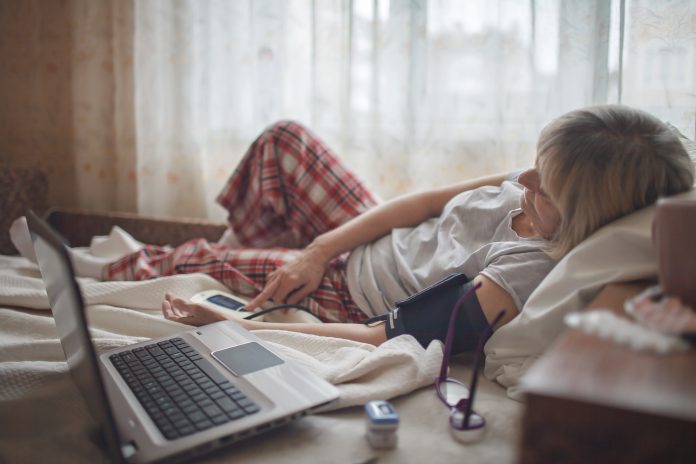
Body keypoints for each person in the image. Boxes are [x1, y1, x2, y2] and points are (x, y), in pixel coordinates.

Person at [11, 104, 695, 348]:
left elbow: (385, 334)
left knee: (198, 263)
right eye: (533, 166)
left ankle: (90, 265)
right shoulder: (528, 185)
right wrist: (316, 246)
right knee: (285, 141)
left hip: (353, 292)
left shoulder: (520, 272)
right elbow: (423, 201)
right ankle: (255, 247)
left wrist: (242, 323)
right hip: (366, 243)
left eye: (542, 186)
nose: (522, 181)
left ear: (579, 217)